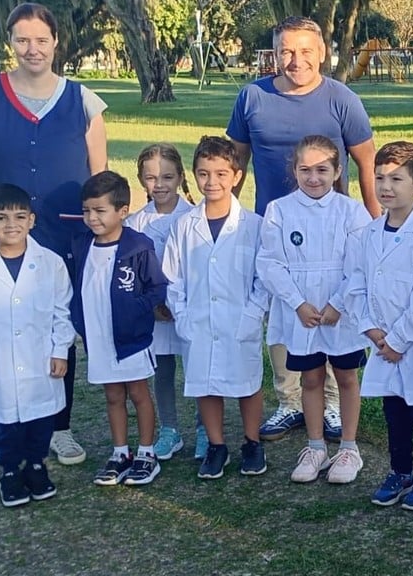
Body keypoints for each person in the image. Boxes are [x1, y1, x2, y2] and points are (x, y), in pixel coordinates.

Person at [0, 2, 106, 490]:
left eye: (41, 39)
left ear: (56, 41)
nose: (32, 49)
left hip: (63, 234)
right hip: (4, 230)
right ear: (10, 43)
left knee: (59, 328)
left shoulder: (84, 101)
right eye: (22, 40)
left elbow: (98, 179)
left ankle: (58, 426)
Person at [227, 16, 380, 445]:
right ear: (275, 54)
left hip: (332, 230)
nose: (296, 61)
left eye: (305, 51)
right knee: (283, 310)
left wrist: (372, 226)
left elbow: (366, 162)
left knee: (329, 310)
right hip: (273, 224)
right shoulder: (251, 97)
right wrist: (230, 217)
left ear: (322, 52)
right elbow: (236, 162)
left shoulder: (342, 98)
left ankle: (331, 401)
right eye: (287, 52)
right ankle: (289, 400)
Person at [257, 135, 372, 485]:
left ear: (337, 171)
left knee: (347, 376)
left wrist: (338, 303)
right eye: (305, 170)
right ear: (294, 171)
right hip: (301, 312)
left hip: (342, 310)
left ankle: (349, 448)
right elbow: (270, 263)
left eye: (322, 170)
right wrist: (298, 303)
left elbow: (361, 264)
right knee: (310, 378)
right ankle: (315, 446)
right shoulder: (279, 210)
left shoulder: (351, 211)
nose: (313, 178)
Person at [0, 184, 74, 507]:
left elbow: (62, 312)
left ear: (32, 220)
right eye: (1, 218)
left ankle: (36, 465)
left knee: (40, 418)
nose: (12, 225)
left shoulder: (50, 263)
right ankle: (9, 471)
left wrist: (60, 350)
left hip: (41, 359)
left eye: (20, 216)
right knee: (7, 422)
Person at [163, 136, 271, 479]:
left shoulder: (253, 225)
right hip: (198, 321)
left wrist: (253, 314)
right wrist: (181, 317)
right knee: (205, 384)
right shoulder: (183, 226)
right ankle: (216, 444)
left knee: (247, 383)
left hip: (241, 319)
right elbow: (172, 277)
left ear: (237, 177)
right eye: (204, 174)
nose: (212, 182)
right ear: (192, 175)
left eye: (221, 174)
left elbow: (264, 276)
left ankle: (252, 443)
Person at [347, 141, 413, 510]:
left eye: (396, 179)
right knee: (395, 411)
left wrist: (399, 339)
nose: (386, 187)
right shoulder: (368, 235)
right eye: (379, 178)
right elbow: (355, 286)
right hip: (382, 343)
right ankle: (400, 470)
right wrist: (373, 332)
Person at [70, 171, 168, 487]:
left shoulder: (138, 246)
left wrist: (134, 312)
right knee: (113, 395)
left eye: (100, 211)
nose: (92, 218)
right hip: (98, 339)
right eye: (86, 210)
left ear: (122, 211)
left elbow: (156, 288)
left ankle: (146, 453)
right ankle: (120, 453)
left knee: (138, 393)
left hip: (131, 340)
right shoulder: (81, 244)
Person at [125, 143, 198, 461]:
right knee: (163, 370)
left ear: (181, 177)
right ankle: (170, 429)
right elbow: (131, 271)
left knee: (195, 369)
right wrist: (154, 304)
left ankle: (205, 429)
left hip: (190, 310)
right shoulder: (135, 222)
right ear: (141, 180)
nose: (160, 185)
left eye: (167, 177)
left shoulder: (194, 217)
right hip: (156, 315)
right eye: (151, 177)